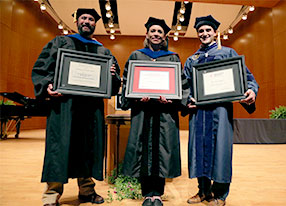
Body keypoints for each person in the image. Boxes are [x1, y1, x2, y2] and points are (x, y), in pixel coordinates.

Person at [32, 8, 121, 206]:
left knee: (88, 148)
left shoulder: (102, 50)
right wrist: (47, 86)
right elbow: (41, 68)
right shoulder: (61, 42)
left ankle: (87, 190)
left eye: (90, 19)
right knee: (59, 148)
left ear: (94, 24)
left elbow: (113, 85)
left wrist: (112, 74)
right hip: (64, 107)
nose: (87, 21)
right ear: (77, 21)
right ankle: (51, 194)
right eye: (83, 18)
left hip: (90, 110)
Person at [184, 15, 259, 206]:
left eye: (208, 30)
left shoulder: (228, 53)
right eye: (201, 31)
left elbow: (247, 77)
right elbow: (184, 86)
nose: (204, 33)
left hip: (220, 112)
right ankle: (202, 191)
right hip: (199, 114)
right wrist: (187, 99)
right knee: (199, 150)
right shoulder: (192, 60)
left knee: (221, 151)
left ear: (215, 32)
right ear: (197, 34)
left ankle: (219, 195)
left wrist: (251, 90)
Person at [121, 17, 189, 206]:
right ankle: (146, 194)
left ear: (164, 36)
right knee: (143, 149)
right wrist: (134, 96)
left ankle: (157, 194)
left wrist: (173, 98)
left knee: (162, 150)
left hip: (164, 113)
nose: (156, 34)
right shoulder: (136, 56)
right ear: (147, 34)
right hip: (142, 112)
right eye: (153, 31)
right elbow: (126, 82)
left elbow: (181, 85)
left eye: (160, 32)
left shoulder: (172, 58)